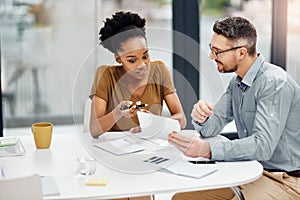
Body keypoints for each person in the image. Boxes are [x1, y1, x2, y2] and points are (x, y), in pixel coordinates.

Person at [168, 16, 300, 199]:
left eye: (217, 51)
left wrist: (207, 150)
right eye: (211, 49)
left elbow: (263, 146)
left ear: (241, 53)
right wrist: (200, 116)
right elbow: (211, 128)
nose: (211, 56)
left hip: (285, 179)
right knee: (182, 198)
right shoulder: (237, 84)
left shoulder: (274, 83)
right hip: (250, 169)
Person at [89, 11, 186, 140]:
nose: (142, 65)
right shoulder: (105, 75)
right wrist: (117, 112)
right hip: (115, 149)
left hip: (150, 147)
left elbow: (181, 119)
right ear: (118, 58)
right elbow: (94, 130)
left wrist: (155, 124)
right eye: (132, 60)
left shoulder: (159, 71)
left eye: (145, 56)